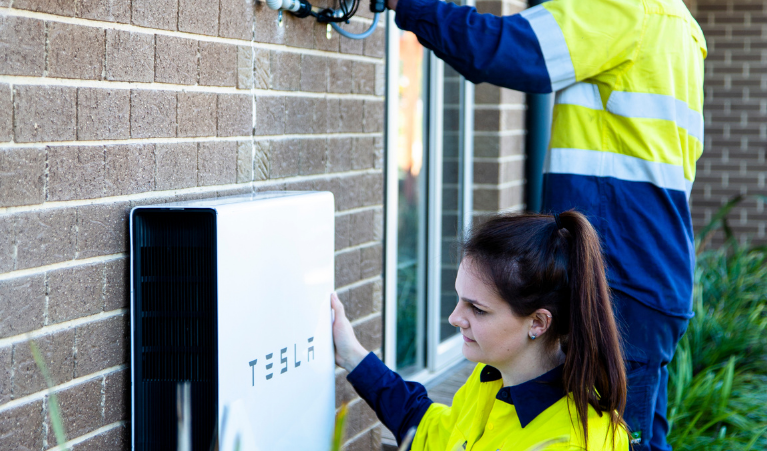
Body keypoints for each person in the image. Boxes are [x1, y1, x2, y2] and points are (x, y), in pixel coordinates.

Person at [384, 0, 706, 449]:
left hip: (620, 278)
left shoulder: (626, 8)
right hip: (650, 274)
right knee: (637, 438)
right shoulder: (682, 27)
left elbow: (504, 48)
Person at [332, 211, 630, 450]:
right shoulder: (492, 376)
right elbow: (432, 432)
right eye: (458, 299)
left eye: (478, 309)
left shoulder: (567, 444)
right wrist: (353, 356)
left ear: (538, 323)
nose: (454, 318)